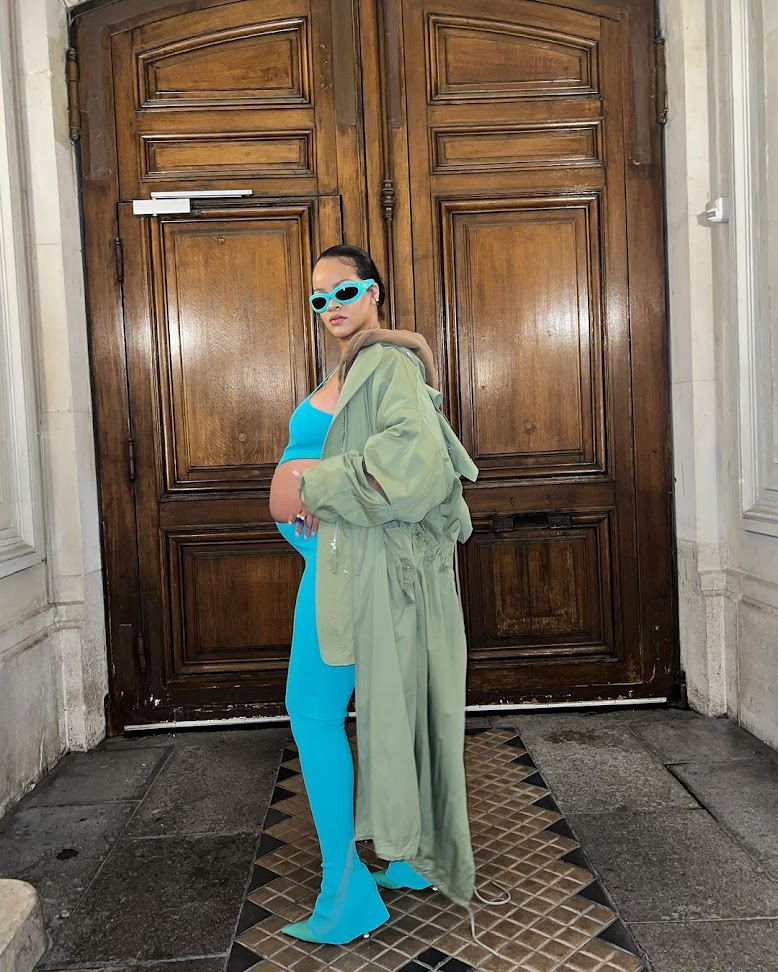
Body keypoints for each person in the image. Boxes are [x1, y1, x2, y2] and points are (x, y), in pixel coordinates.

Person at [269, 244, 479, 946]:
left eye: (344, 291)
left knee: (312, 712)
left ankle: (345, 891)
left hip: (356, 573)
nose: (331, 306)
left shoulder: (387, 362)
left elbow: (412, 467)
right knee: (389, 707)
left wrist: (311, 485)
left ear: (374, 291)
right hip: (336, 567)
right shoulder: (351, 367)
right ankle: (407, 857)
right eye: (318, 298)